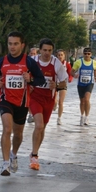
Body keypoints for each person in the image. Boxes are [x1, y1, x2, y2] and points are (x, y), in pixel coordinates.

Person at [0, 31, 45, 176]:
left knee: (18, 133)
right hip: (5, 99)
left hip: (22, 102)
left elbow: (41, 79)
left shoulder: (28, 62)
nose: (12, 47)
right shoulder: (2, 61)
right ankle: (5, 164)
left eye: (15, 44)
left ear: (22, 45)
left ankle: (14, 154)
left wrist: (31, 80)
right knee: (7, 129)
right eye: (10, 44)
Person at [29, 38, 68, 170]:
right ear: (40, 50)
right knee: (38, 125)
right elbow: (24, 76)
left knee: (42, 128)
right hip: (35, 98)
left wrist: (56, 85)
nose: (47, 53)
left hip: (49, 100)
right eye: (44, 50)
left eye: (49, 50)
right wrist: (29, 84)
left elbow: (64, 82)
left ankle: (35, 152)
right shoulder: (33, 61)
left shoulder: (56, 63)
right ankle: (34, 156)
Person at [71, 47, 96, 126]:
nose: (87, 55)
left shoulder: (94, 62)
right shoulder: (78, 62)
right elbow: (72, 71)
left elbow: (95, 69)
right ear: (83, 54)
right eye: (85, 54)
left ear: (91, 54)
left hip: (89, 83)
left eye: (88, 54)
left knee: (87, 99)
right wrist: (74, 75)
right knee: (82, 101)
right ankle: (82, 116)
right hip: (80, 84)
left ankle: (87, 117)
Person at [54, 49, 73, 125]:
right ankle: (54, 104)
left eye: (61, 55)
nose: (60, 56)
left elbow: (70, 73)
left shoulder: (67, 64)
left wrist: (70, 78)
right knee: (54, 100)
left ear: (64, 56)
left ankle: (59, 118)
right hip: (55, 84)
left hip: (63, 84)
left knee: (61, 102)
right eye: (59, 55)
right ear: (56, 56)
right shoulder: (54, 63)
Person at [27, 48, 39, 123]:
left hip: (37, 84)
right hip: (29, 83)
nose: (32, 55)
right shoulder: (26, 62)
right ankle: (30, 115)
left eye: (34, 54)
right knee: (29, 100)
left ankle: (36, 114)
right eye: (31, 53)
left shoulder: (38, 63)